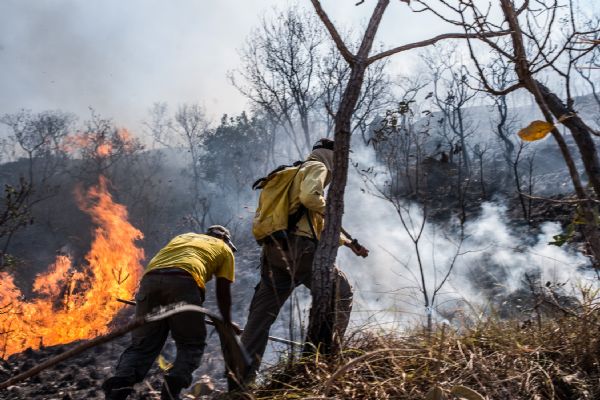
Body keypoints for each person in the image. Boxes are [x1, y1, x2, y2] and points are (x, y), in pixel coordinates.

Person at [241, 138, 369, 382]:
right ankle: (329, 357)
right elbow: (311, 199)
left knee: (260, 318)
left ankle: (241, 381)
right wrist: (334, 208)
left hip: (273, 251)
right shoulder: (318, 167)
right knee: (342, 291)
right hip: (301, 251)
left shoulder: (290, 173)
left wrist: (350, 243)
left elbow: (316, 224)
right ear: (333, 156)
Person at [102, 225, 239, 400]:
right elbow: (223, 292)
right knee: (191, 344)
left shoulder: (184, 237)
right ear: (225, 240)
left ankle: (117, 390)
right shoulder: (224, 249)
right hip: (184, 282)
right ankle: (171, 390)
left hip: (149, 281)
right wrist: (226, 322)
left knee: (142, 346)